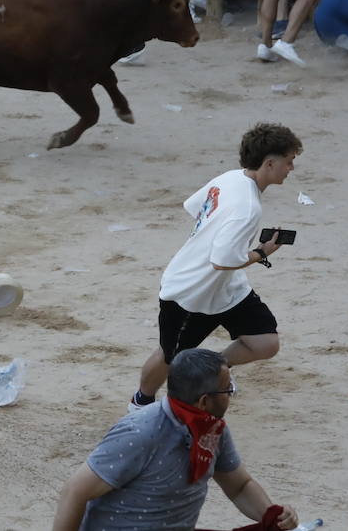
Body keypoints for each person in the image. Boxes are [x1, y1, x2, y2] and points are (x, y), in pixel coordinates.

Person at [129, 123, 302, 412]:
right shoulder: (248, 207)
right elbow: (221, 261)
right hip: (190, 292)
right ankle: (139, 403)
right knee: (170, 357)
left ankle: (208, 372)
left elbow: (194, 207)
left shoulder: (231, 178)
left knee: (265, 342)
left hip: (226, 289)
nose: (291, 168)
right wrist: (262, 251)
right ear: (270, 163)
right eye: (289, 161)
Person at [53, 348, 300, 531]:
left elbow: (239, 486)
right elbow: (74, 492)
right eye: (228, 390)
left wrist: (271, 516)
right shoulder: (140, 432)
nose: (231, 396)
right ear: (204, 401)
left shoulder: (212, 430)